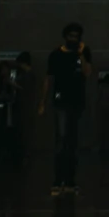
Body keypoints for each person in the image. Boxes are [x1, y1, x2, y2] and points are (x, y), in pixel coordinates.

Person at [41, 22, 93, 195]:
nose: (74, 39)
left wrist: (81, 55)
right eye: (71, 36)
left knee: (72, 142)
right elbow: (49, 79)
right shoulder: (56, 55)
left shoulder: (83, 53)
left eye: (76, 37)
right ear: (65, 37)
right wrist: (43, 101)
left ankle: (70, 180)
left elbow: (87, 72)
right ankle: (58, 180)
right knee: (61, 140)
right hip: (61, 101)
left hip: (77, 101)